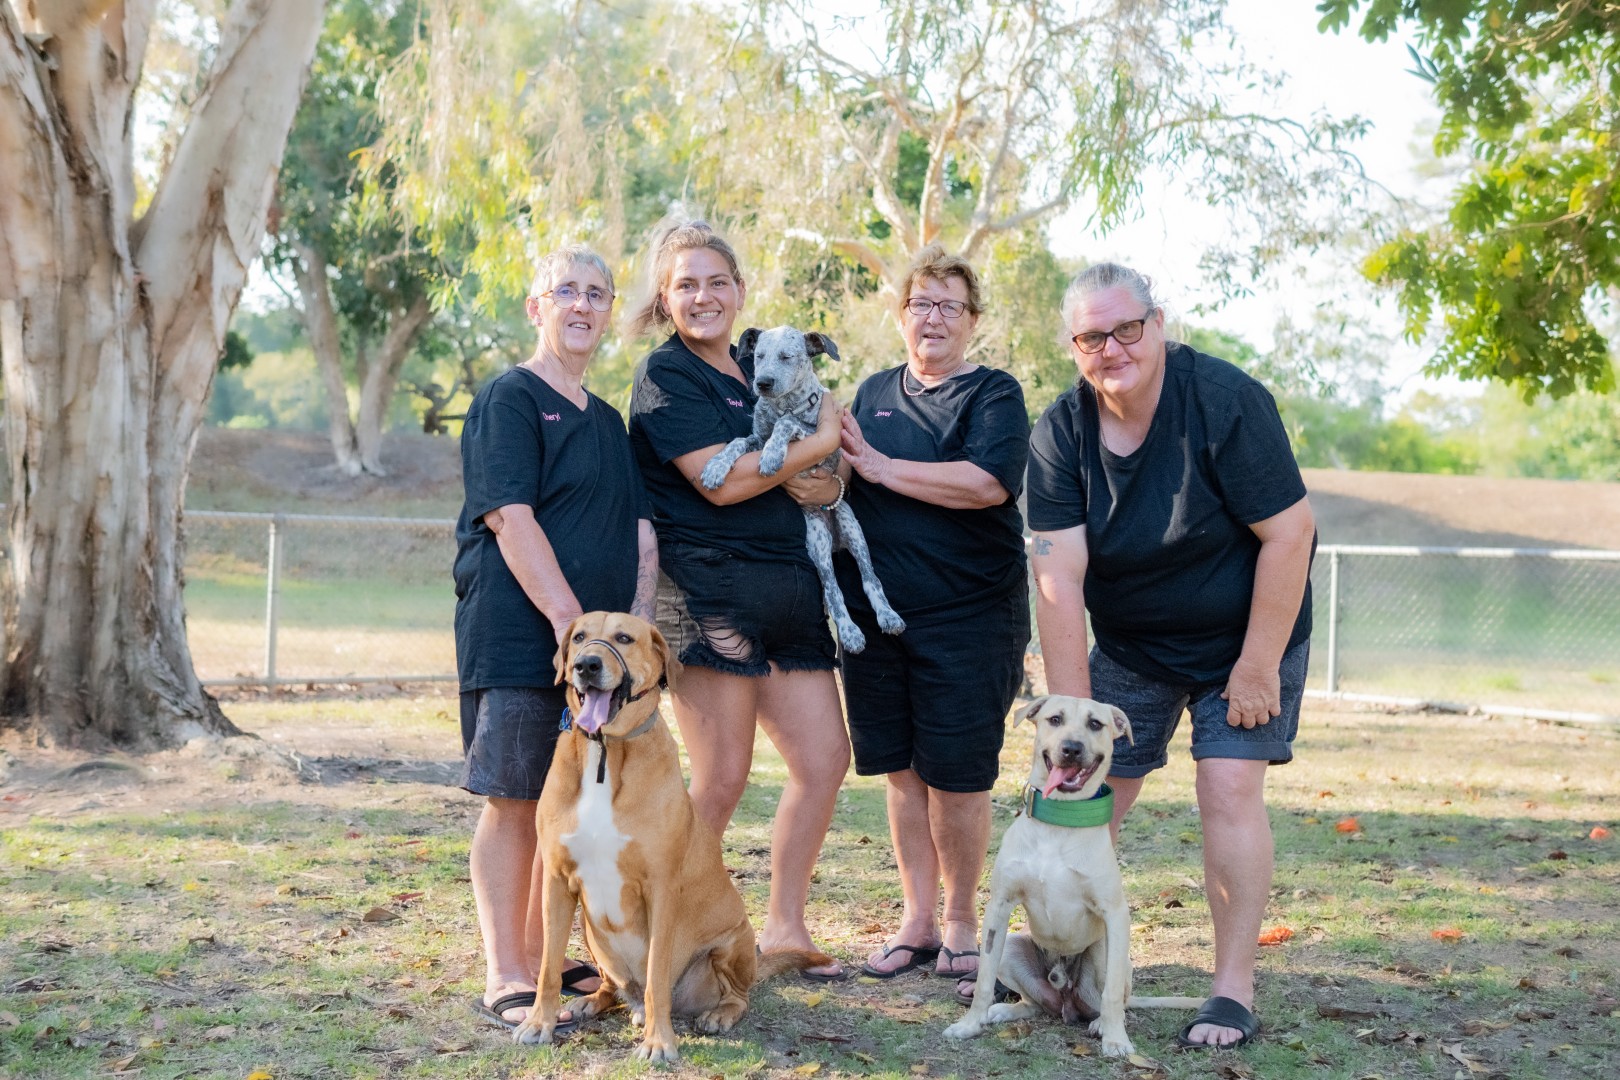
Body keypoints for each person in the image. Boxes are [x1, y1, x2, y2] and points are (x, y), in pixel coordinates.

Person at [1024, 262, 1316, 1048]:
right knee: (1081, 801)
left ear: (1158, 324)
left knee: (1226, 790)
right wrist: (1074, 721)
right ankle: (1077, 966)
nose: (1112, 347)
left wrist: (1257, 667)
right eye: (1093, 336)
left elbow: (1290, 535)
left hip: (1244, 635)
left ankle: (1231, 989)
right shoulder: (1060, 431)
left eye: (1127, 328)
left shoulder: (1225, 402)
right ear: (1073, 346)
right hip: (1134, 644)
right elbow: (1056, 575)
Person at [626, 221, 849, 978]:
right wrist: (822, 443)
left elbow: (820, 485)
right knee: (721, 777)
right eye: (685, 284)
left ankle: (784, 928)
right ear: (665, 298)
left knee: (824, 759)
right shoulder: (666, 377)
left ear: (741, 290)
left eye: (716, 280)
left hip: (789, 587)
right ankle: (672, 942)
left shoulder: (760, 362)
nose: (703, 296)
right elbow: (723, 482)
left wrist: (828, 473)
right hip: (709, 587)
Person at [453, 245, 658, 1028]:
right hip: (518, 638)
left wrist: (630, 642)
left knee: (567, 802)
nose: (581, 304)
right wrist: (573, 632)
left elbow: (642, 533)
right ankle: (505, 972)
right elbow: (510, 517)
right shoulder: (508, 399)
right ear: (537, 308)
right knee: (513, 800)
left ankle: (551, 958)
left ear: (610, 313)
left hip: (602, 666)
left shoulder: (609, 422)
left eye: (596, 294)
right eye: (564, 291)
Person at [834, 245, 1031, 984]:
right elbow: (838, 481)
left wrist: (883, 468)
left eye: (950, 305)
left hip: (970, 618)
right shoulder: (873, 390)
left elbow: (986, 484)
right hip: (875, 618)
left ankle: (958, 923)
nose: (934, 318)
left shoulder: (993, 394)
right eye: (921, 303)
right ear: (901, 315)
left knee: (957, 776)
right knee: (901, 773)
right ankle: (916, 921)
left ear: (972, 320)